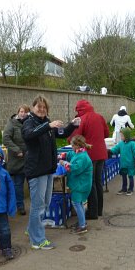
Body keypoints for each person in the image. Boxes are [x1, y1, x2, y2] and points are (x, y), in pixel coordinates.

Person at [22, 94, 79, 250]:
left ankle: (31, 229)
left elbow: (61, 133)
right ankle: (38, 240)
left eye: (44, 107)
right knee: (38, 206)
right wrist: (49, 126)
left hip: (48, 170)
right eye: (39, 107)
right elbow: (29, 134)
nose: (42, 109)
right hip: (36, 171)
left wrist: (72, 125)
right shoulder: (29, 122)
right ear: (33, 108)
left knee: (44, 203)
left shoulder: (46, 123)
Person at [68, 99, 109, 220]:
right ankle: (99, 210)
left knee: (90, 184)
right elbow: (106, 133)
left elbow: (74, 138)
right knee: (98, 182)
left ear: (79, 109)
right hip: (101, 153)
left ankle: (92, 213)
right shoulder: (99, 117)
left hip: (89, 155)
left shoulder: (82, 119)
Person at [58, 135, 93, 234]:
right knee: (80, 203)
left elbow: (74, 168)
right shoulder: (78, 153)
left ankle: (82, 226)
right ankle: (83, 222)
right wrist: (60, 155)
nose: (71, 147)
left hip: (81, 185)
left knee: (77, 203)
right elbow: (70, 154)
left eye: (72, 145)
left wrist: (63, 163)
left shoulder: (82, 157)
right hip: (80, 184)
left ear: (77, 145)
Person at [2, 104, 30, 215]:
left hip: (29, 159)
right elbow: (6, 139)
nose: (23, 114)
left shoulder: (30, 123)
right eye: (21, 111)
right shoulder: (12, 123)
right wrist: (17, 149)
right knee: (18, 185)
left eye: (26, 112)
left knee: (32, 184)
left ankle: (36, 207)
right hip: (16, 160)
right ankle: (20, 206)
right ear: (18, 112)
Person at [108, 128, 135, 195]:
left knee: (130, 176)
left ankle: (131, 189)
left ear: (126, 136)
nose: (121, 137)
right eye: (121, 136)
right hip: (123, 164)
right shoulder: (121, 144)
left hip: (131, 164)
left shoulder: (132, 144)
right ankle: (124, 188)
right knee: (123, 176)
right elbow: (115, 149)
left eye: (122, 136)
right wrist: (109, 151)